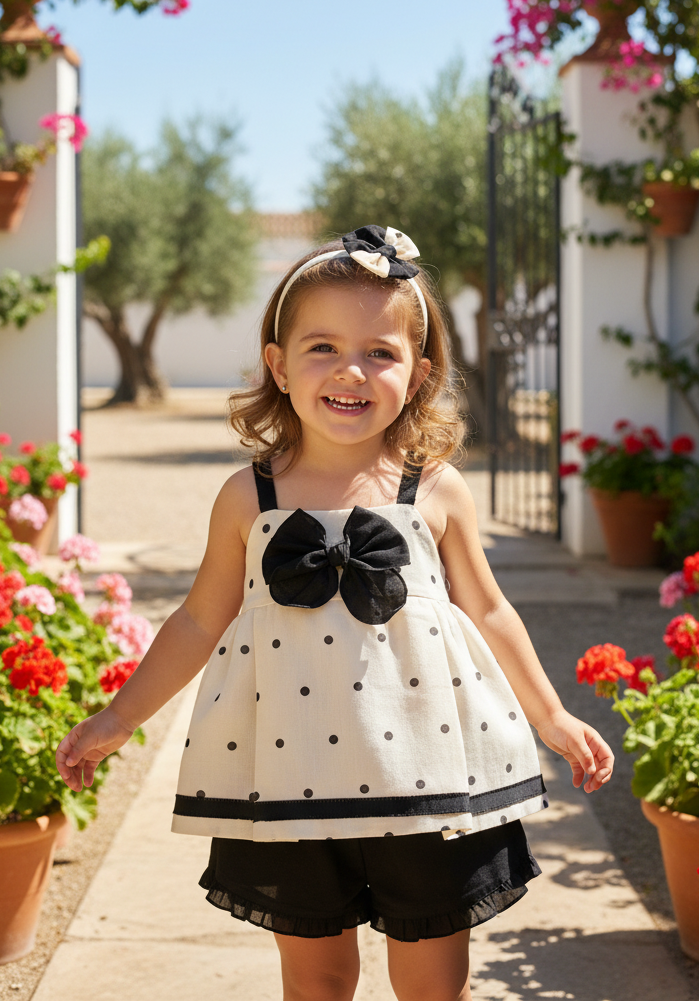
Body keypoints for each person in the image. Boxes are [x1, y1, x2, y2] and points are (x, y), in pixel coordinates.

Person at [57, 225, 613, 1002]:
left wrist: (551, 717)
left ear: (418, 375)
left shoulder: (438, 489)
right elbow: (196, 620)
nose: (352, 369)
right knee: (315, 978)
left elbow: (487, 608)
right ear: (278, 367)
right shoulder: (249, 497)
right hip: (293, 780)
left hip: (427, 777)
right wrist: (120, 719)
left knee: (432, 978)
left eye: (380, 353)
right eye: (322, 347)